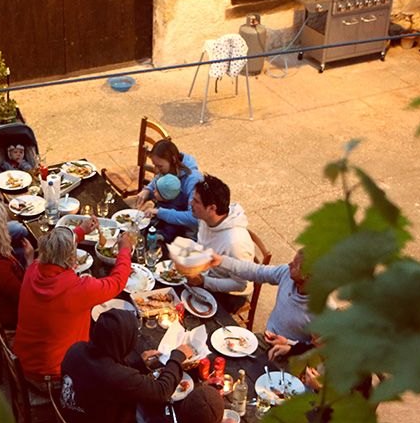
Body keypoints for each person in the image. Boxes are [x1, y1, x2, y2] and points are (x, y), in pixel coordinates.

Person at [60, 308, 193, 423]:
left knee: (148, 410)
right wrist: (177, 357)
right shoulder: (114, 377)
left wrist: (138, 364)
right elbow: (162, 391)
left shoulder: (76, 349)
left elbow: (104, 379)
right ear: (123, 342)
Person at [13, 225, 134, 382]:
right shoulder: (77, 289)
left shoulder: (34, 268)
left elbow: (54, 248)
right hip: (52, 375)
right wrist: (125, 250)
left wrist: (80, 231)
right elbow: (117, 282)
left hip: (24, 359)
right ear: (71, 258)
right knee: (115, 362)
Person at [200, 248, 315, 360]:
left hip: (293, 356)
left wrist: (289, 344)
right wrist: (222, 261)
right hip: (265, 339)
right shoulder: (286, 273)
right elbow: (257, 272)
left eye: (294, 265)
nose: (289, 264)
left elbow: (319, 348)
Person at [185, 175, 254, 310]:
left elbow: (241, 285)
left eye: (196, 201)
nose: (190, 203)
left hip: (230, 295)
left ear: (212, 209)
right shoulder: (205, 219)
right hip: (206, 273)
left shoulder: (235, 243)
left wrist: (204, 282)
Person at [135, 139, 202, 238]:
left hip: (186, 234)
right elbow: (157, 181)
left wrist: (161, 213)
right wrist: (147, 190)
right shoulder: (169, 170)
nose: (157, 171)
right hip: (164, 223)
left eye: (160, 166)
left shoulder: (194, 180)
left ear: (173, 160)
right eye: (155, 165)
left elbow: (195, 218)